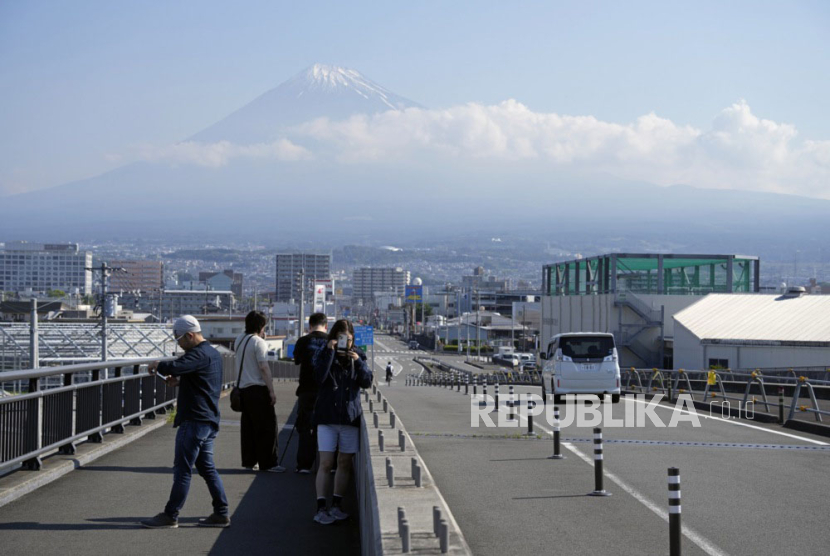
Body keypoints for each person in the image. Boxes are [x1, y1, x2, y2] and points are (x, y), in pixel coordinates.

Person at [141, 315, 230, 529]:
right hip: (208, 420)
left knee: (182, 470)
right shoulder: (213, 353)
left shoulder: (198, 353)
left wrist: (157, 365)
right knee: (207, 468)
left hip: (194, 420)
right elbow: (201, 378)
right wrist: (181, 382)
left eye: (180, 339)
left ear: (190, 335)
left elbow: (176, 366)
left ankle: (170, 515)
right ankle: (221, 513)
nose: (179, 344)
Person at [311, 319, 373, 524]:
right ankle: (321, 507)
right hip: (327, 417)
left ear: (352, 339)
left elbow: (366, 382)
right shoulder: (323, 352)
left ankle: (337, 505)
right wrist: (330, 351)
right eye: (340, 337)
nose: (344, 341)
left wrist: (359, 361)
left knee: (345, 463)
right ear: (333, 337)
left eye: (348, 338)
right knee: (326, 463)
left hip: (349, 416)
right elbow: (318, 377)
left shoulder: (358, 355)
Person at [235, 310, 279, 472]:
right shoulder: (258, 342)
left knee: (248, 428)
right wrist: (271, 391)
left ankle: (250, 461)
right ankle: (269, 463)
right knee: (267, 427)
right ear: (261, 326)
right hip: (258, 389)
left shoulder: (239, 339)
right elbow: (263, 367)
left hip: (243, 390)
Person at [293, 312, 328, 474]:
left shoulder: (303, 341)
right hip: (326, 391)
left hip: (306, 390)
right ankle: (328, 464)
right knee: (326, 427)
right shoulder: (331, 341)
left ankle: (304, 465)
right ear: (326, 326)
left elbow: (297, 360)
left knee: (305, 426)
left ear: (310, 326)